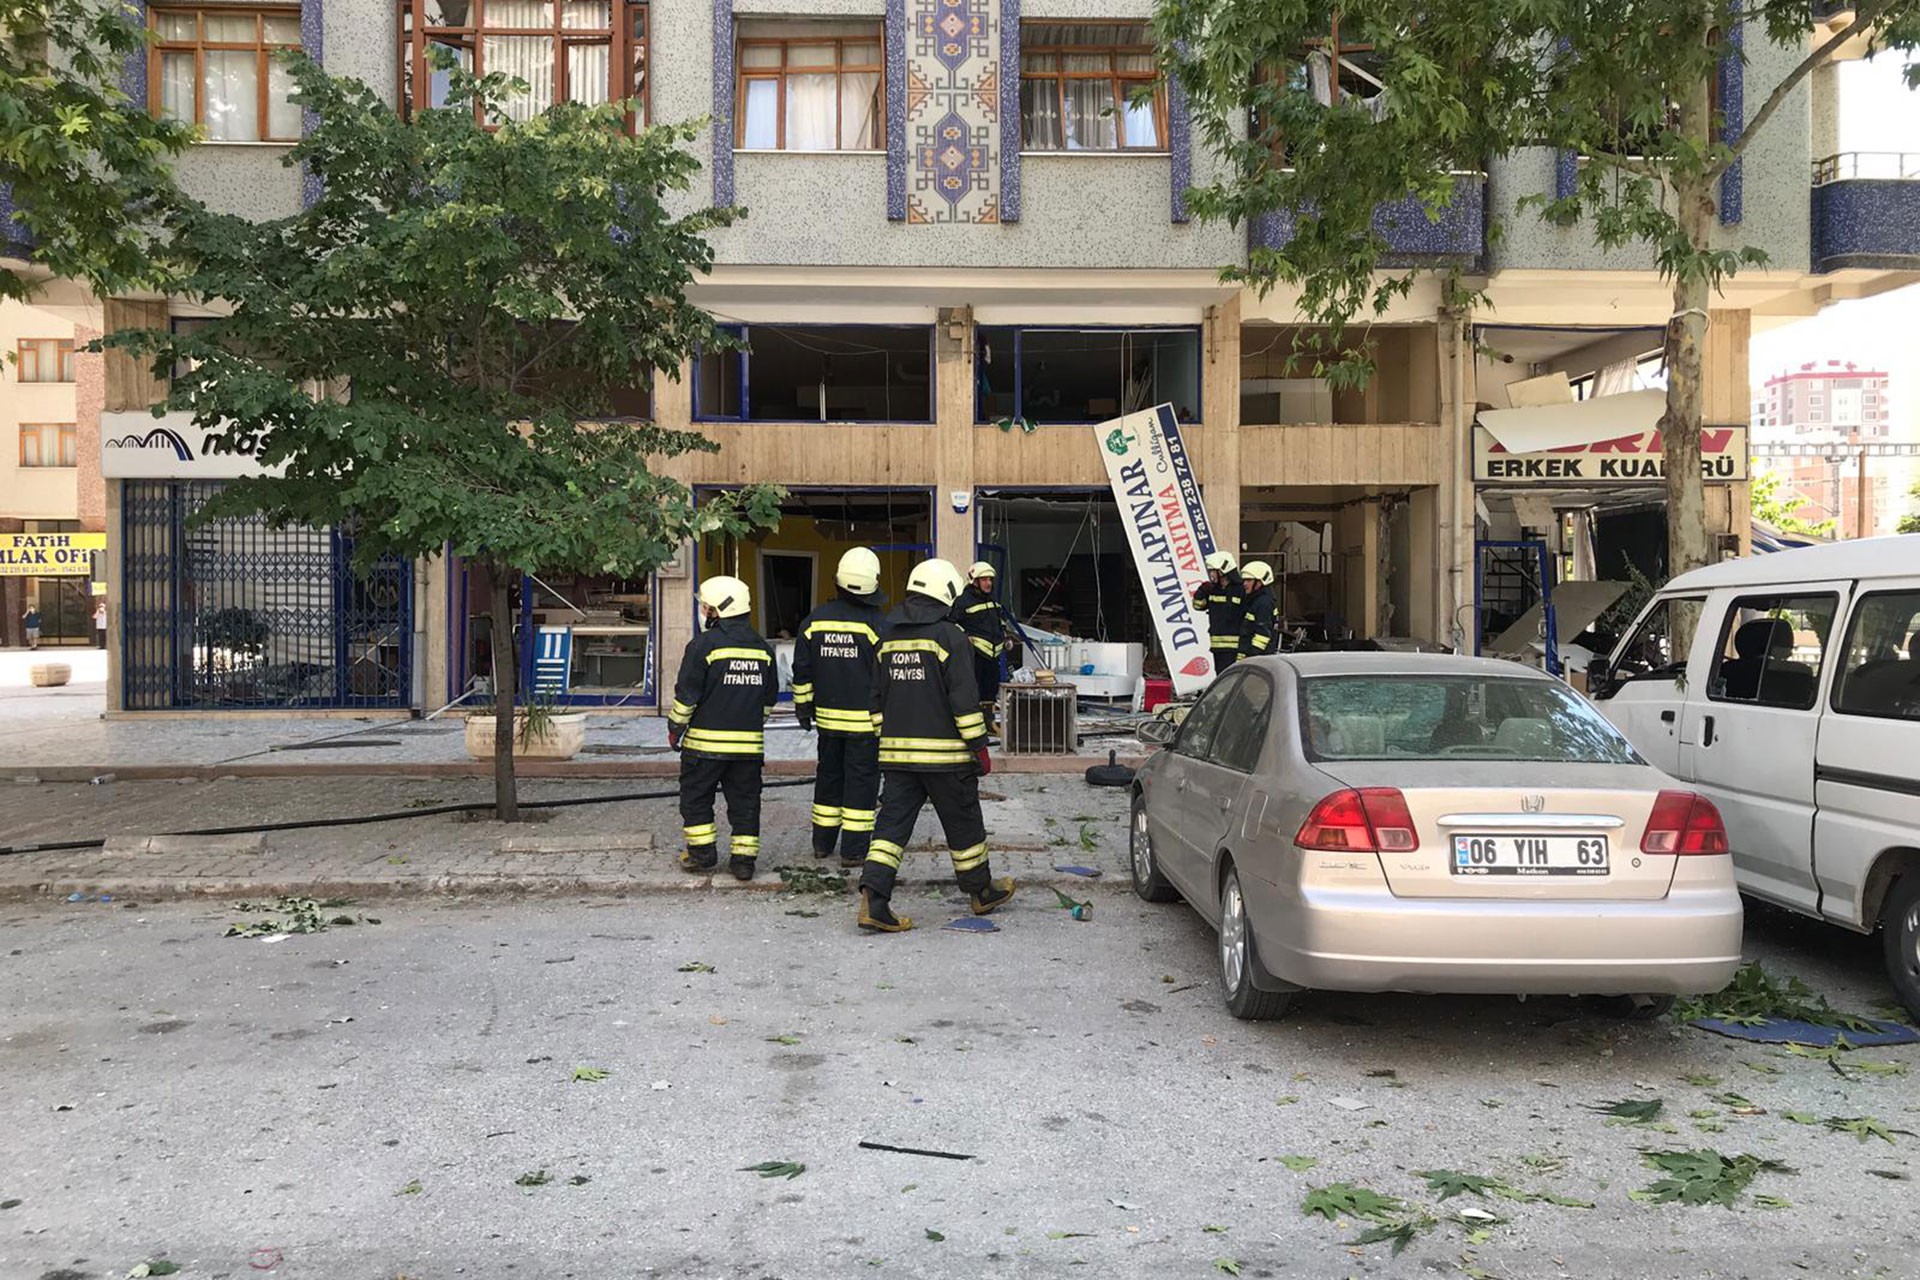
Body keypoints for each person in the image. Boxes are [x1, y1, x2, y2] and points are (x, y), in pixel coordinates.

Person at [858, 558, 1016, 933]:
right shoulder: (950, 637)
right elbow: (965, 701)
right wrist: (979, 747)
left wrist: (889, 738)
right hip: (947, 758)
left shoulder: (888, 637)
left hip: (898, 758)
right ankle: (981, 892)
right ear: (944, 592)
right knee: (964, 826)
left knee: (890, 829)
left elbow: (875, 701)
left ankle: (873, 901)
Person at [667, 575, 777, 881]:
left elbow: (687, 695)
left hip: (705, 748)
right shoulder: (763, 650)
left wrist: (675, 727)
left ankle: (702, 855)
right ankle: (743, 862)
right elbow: (768, 702)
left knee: (696, 798)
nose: (703, 612)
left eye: (706, 607)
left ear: (717, 610)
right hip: (748, 750)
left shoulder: (703, 646)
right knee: (745, 804)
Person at [792, 547, 887, 867]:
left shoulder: (813, 621)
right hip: (865, 724)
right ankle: (854, 850)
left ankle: (822, 844)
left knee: (829, 777)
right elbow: (886, 675)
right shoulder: (877, 624)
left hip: (828, 722)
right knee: (861, 782)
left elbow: (801, 672)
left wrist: (803, 709)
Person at [951, 561, 1016, 736]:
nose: (988, 583)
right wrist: (965, 637)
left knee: (990, 690)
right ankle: (973, 726)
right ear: (974, 581)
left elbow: (1000, 621)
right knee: (973, 690)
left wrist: (1005, 635)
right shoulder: (962, 601)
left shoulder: (993, 600)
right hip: (975, 655)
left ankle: (988, 723)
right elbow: (951, 624)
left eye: (990, 579)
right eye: (984, 579)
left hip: (993, 655)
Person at [1192, 551, 1244, 671]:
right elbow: (1198, 606)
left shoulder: (1240, 590)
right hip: (1217, 648)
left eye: (1213, 571)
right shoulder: (1212, 589)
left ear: (1223, 570)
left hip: (1236, 648)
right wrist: (1202, 591)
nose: (1211, 574)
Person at [1238, 561, 1277, 662]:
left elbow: (1262, 636)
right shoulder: (1256, 600)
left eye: (1249, 580)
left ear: (1260, 582)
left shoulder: (1263, 603)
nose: (1245, 584)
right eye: (1244, 580)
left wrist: (1250, 656)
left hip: (1258, 659)